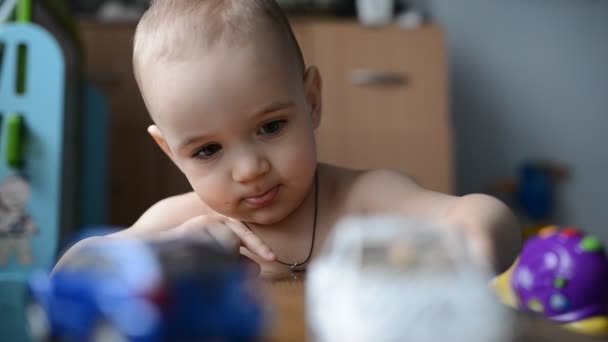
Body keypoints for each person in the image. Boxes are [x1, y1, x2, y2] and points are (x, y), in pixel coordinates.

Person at [55, 0, 520, 280]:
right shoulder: (183, 225)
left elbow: (485, 215)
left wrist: (471, 241)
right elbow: (72, 269)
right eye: (207, 150)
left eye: (271, 127)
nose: (249, 169)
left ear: (311, 100)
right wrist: (164, 251)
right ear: (171, 153)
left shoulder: (363, 199)